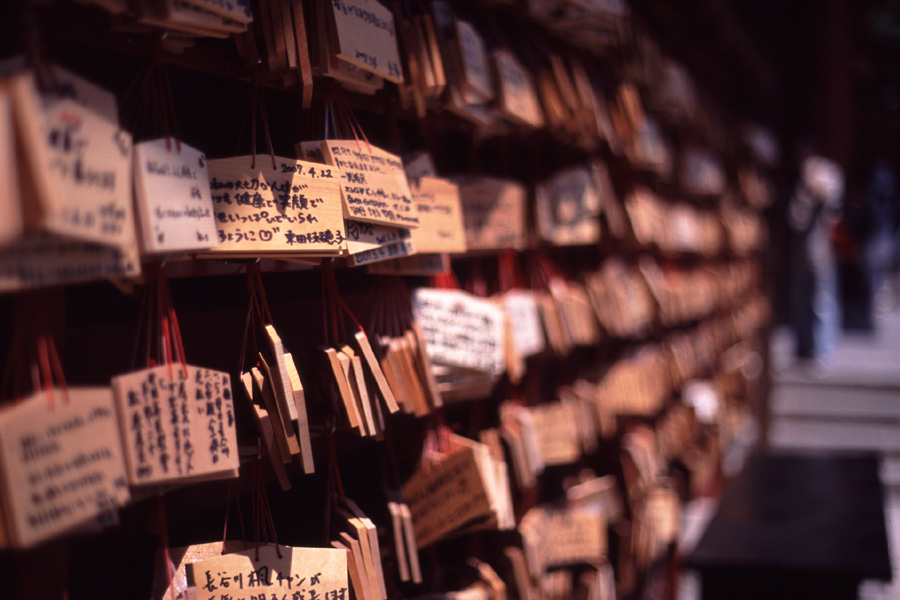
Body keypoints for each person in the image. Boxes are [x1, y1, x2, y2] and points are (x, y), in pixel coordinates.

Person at [787, 154, 844, 369]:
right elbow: (795, 219)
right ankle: (802, 348)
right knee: (800, 303)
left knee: (821, 304)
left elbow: (834, 205)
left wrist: (821, 191)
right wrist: (807, 195)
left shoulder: (830, 192)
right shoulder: (802, 194)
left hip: (821, 257)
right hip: (801, 259)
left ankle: (821, 350)